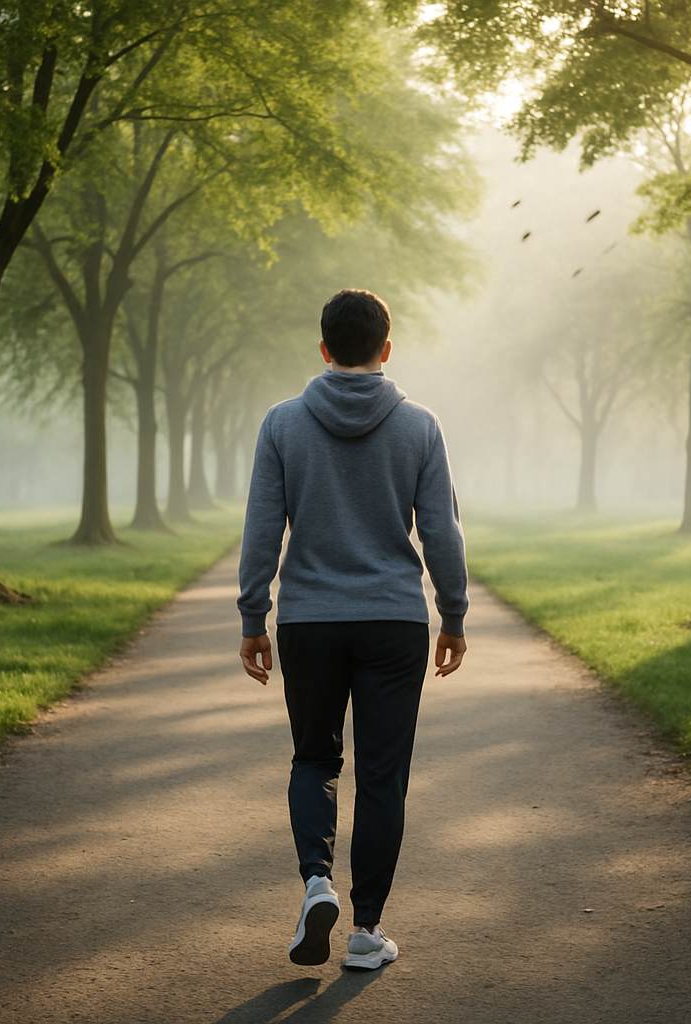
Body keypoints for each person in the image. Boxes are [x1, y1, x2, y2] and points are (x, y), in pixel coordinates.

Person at [237, 288, 468, 970]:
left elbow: (260, 531)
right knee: (383, 775)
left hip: (309, 619)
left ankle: (316, 884)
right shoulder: (420, 426)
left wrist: (254, 616)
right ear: (386, 349)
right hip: (394, 620)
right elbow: (442, 533)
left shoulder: (282, 425)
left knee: (314, 758)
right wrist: (452, 613)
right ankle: (367, 933)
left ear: (324, 348)